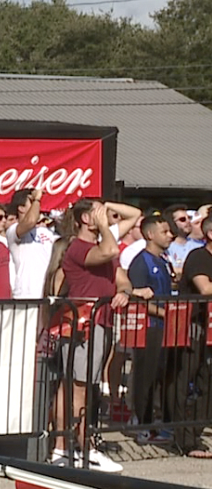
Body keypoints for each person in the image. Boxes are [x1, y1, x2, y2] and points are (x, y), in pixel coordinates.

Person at [57, 199, 142, 473]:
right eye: (98, 213)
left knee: (85, 387)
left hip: (101, 322)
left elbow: (121, 276)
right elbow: (110, 250)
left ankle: (74, 447)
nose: (106, 216)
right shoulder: (79, 248)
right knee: (77, 387)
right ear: (85, 219)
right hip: (82, 323)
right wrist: (104, 224)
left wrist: (124, 292)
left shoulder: (103, 245)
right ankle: (80, 448)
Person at [126, 215, 177, 445]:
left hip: (166, 327)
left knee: (161, 375)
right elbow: (137, 298)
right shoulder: (141, 262)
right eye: (164, 231)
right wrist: (165, 313)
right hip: (148, 327)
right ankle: (142, 424)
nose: (170, 235)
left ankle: (159, 421)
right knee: (145, 376)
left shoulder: (163, 260)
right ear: (150, 234)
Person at [178, 216, 212, 458]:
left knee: (206, 383)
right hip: (193, 326)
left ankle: (197, 434)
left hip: (209, 330)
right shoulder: (199, 257)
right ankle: (185, 439)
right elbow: (205, 288)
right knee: (186, 382)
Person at [164, 204, 204, 279]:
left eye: (189, 218)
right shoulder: (167, 247)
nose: (188, 221)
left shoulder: (200, 245)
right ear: (172, 223)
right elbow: (169, 270)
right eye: (182, 219)